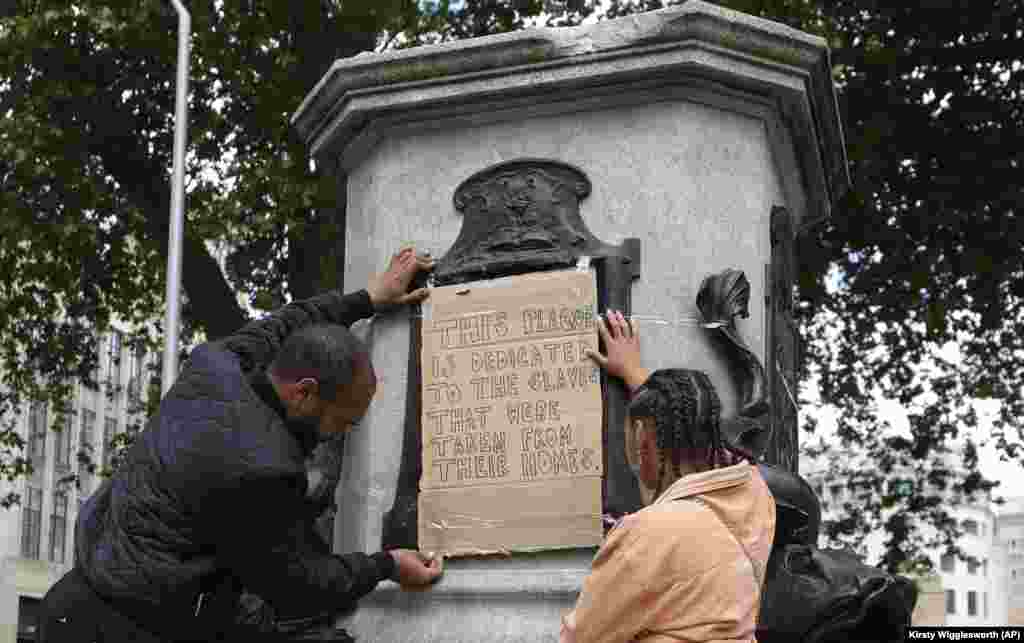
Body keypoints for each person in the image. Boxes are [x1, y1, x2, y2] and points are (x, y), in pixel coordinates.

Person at [38, 248, 443, 643]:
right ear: (304, 393)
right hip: (123, 628)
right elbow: (298, 584)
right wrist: (386, 565)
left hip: (71, 602)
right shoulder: (265, 469)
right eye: (344, 419)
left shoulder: (218, 363)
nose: (341, 432)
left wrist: (367, 299)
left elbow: (289, 321)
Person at [561, 310, 777, 643]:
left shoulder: (647, 535)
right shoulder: (755, 497)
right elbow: (698, 430)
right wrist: (636, 376)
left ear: (641, 440)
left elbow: (581, 637)